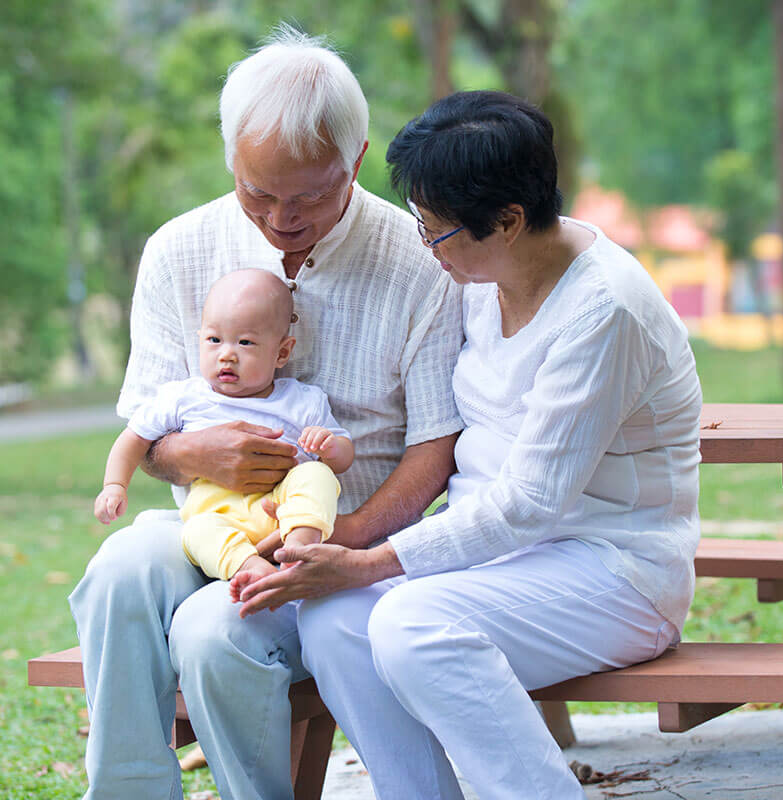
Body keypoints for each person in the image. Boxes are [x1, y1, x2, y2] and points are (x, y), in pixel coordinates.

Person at [234, 91, 703, 800]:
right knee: (334, 623)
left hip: (613, 571)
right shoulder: (481, 275)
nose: (428, 248)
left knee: (410, 622)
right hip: (497, 565)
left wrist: (368, 562)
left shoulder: (604, 311)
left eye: (438, 232)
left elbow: (530, 506)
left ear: (509, 221)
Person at [69, 27, 463, 800]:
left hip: (344, 544)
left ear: (354, 160)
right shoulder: (178, 250)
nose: (281, 217)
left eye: (310, 194)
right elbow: (149, 434)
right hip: (207, 527)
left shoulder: (420, 263)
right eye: (258, 192)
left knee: (216, 632)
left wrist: (334, 545)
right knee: (117, 571)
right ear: (231, 163)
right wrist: (192, 455)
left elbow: (435, 449)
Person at [94, 269, 353, 584]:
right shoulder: (184, 397)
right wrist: (114, 486)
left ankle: (300, 546)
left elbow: (343, 458)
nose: (227, 355)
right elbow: (133, 438)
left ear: (282, 352)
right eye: (214, 340)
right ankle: (248, 568)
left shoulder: (302, 401)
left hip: (281, 509)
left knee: (316, 474)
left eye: (245, 343)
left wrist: (329, 446)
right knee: (196, 531)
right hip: (216, 513)